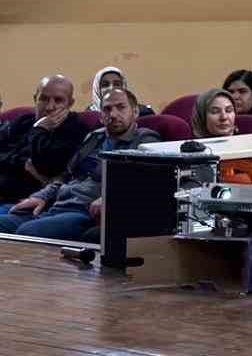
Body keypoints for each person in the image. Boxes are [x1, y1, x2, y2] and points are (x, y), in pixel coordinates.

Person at [0, 86, 156, 240]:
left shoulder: (145, 141)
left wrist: (110, 198)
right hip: (56, 204)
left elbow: (142, 184)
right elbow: (66, 176)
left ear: (135, 112)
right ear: (101, 116)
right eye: (107, 109)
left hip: (84, 212)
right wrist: (41, 196)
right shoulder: (94, 137)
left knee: (27, 233)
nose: (113, 114)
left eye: (121, 107)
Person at [0, 76, 89, 203]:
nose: (49, 107)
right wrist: (22, 162)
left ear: (70, 104)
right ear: (35, 99)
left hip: (24, 200)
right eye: (43, 99)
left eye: (58, 100)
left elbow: (46, 165)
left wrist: (39, 130)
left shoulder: (75, 129)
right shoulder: (23, 121)